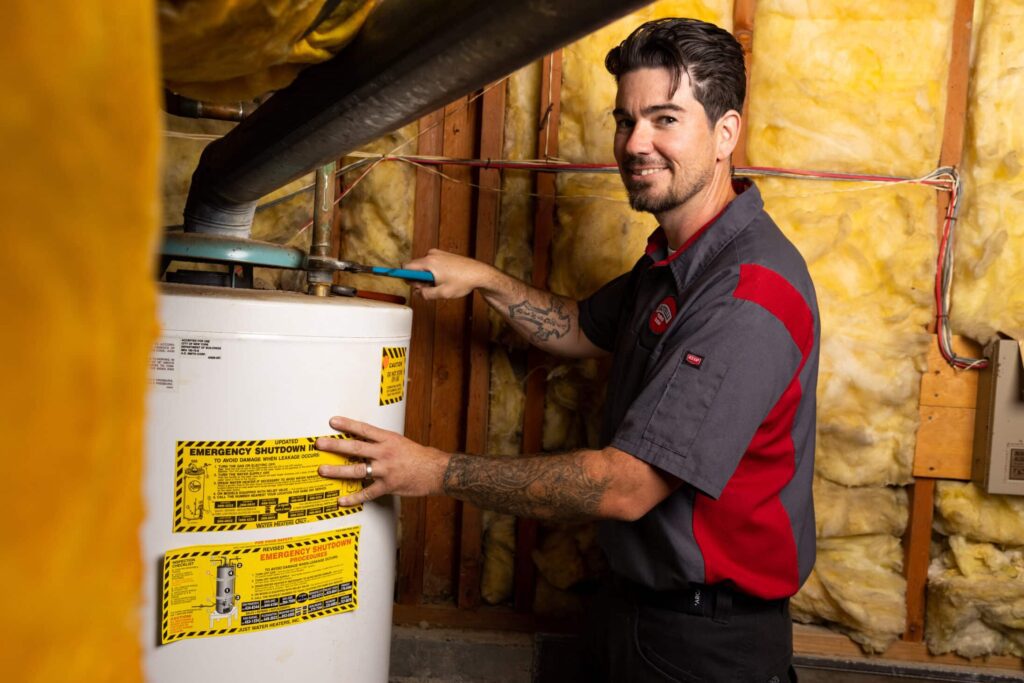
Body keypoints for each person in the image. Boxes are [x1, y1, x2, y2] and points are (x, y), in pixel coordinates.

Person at [317, 17, 818, 681]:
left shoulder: (747, 295)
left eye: (665, 120)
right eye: (625, 120)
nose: (635, 143)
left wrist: (434, 470)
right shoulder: (676, 260)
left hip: (705, 645)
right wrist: (484, 279)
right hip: (638, 612)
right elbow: (581, 327)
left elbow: (626, 486)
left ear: (725, 133)